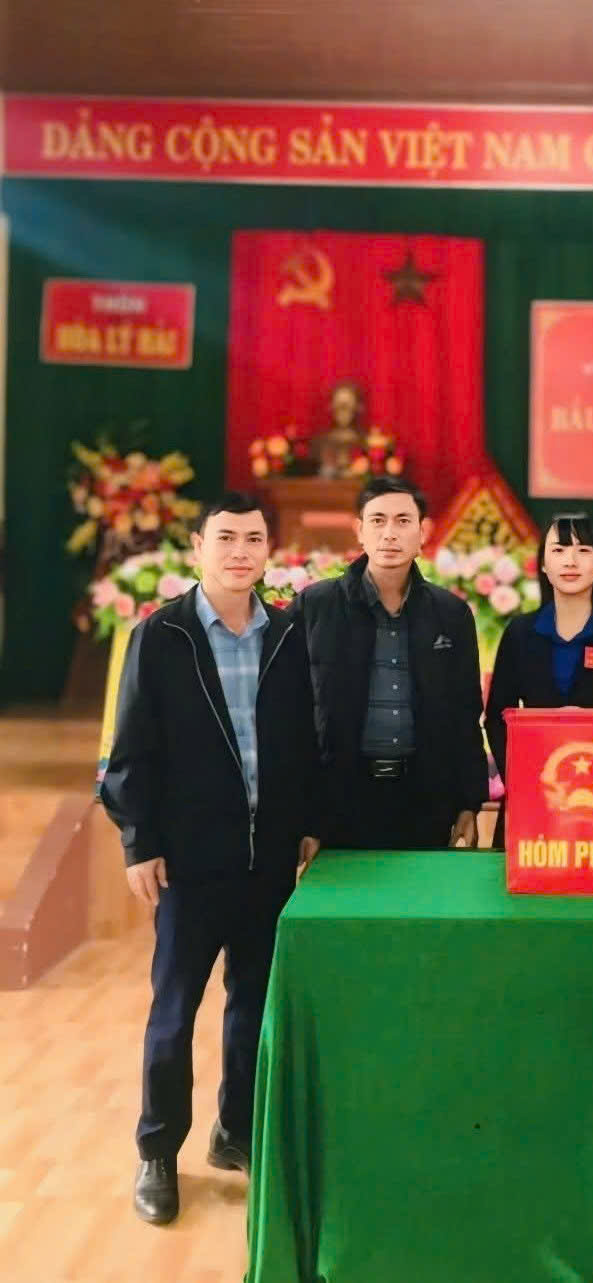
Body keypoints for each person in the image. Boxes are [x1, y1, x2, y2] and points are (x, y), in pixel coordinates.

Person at [100, 492, 320, 1226]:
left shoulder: (286, 633)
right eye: (225, 538)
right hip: (189, 864)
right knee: (174, 1012)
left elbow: (301, 742)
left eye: (253, 539)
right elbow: (131, 750)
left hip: (268, 861)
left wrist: (306, 824)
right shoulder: (162, 635)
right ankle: (158, 1149)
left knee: (253, 1007)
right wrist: (139, 841)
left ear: (268, 551)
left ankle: (237, 1132)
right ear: (198, 547)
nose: (240, 552)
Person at [290, 477, 487, 850]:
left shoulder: (451, 614)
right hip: (337, 799)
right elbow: (290, 713)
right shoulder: (315, 607)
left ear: (423, 533)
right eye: (378, 521)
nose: (390, 534)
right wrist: (303, 813)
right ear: (359, 532)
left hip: (425, 800)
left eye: (403, 521)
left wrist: (468, 801)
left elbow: (465, 712)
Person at [484, 512, 593, 847]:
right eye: (559, 550)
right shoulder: (521, 633)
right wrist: (524, 777)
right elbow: (496, 717)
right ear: (543, 564)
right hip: (532, 799)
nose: (570, 561)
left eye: (583, 550)